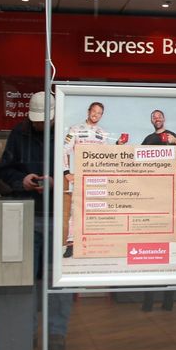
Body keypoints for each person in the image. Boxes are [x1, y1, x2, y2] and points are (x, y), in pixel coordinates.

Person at [0, 91, 73, 350]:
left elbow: (80, 171)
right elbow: (4, 169)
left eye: (45, 120)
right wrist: (23, 180)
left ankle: (56, 333)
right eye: (37, 120)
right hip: (28, 213)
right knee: (25, 279)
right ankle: (25, 332)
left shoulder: (67, 133)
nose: (40, 124)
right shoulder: (20, 132)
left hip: (59, 217)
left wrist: (56, 182)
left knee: (58, 280)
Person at [139, 108, 176, 311]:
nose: (156, 119)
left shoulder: (171, 135)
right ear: (152, 121)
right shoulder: (148, 138)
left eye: (159, 116)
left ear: (164, 119)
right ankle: (148, 302)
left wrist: (174, 141)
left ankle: (168, 302)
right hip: (151, 196)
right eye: (153, 117)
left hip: (169, 195)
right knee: (150, 251)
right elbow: (138, 157)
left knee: (168, 249)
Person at [62, 102, 124, 258]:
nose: (96, 114)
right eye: (94, 111)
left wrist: (118, 144)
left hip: (97, 177)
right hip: (80, 177)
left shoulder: (103, 133)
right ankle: (71, 243)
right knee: (76, 210)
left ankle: (94, 244)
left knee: (96, 210)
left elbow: (108, 154)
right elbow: (63, 150)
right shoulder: (74, 129)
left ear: (102, 115)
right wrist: (66, 172)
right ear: (88, 111)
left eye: (99, 113)